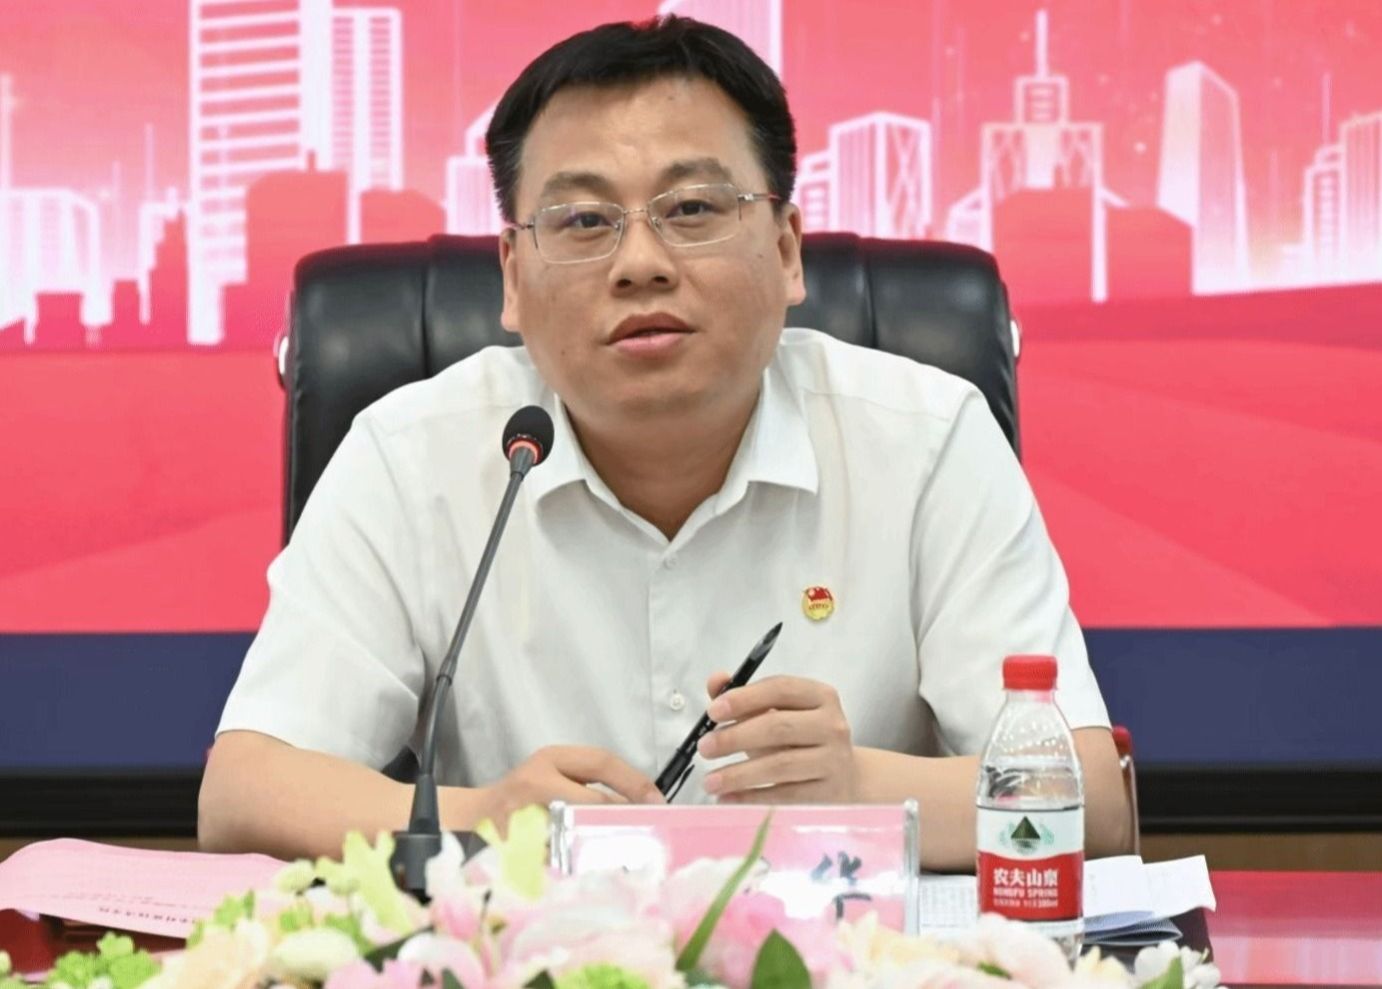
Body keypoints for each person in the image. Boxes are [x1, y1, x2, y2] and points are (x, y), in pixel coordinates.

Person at [199, 15, 1131, 868]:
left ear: (787, 249)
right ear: (513, 278)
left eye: (691, 210)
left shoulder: (927, 441)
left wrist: (860, 786)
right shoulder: (413, 456)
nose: (640, 263)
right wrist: (483, 816)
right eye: (584, 221)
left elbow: (1091, 799)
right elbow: (244, 789)